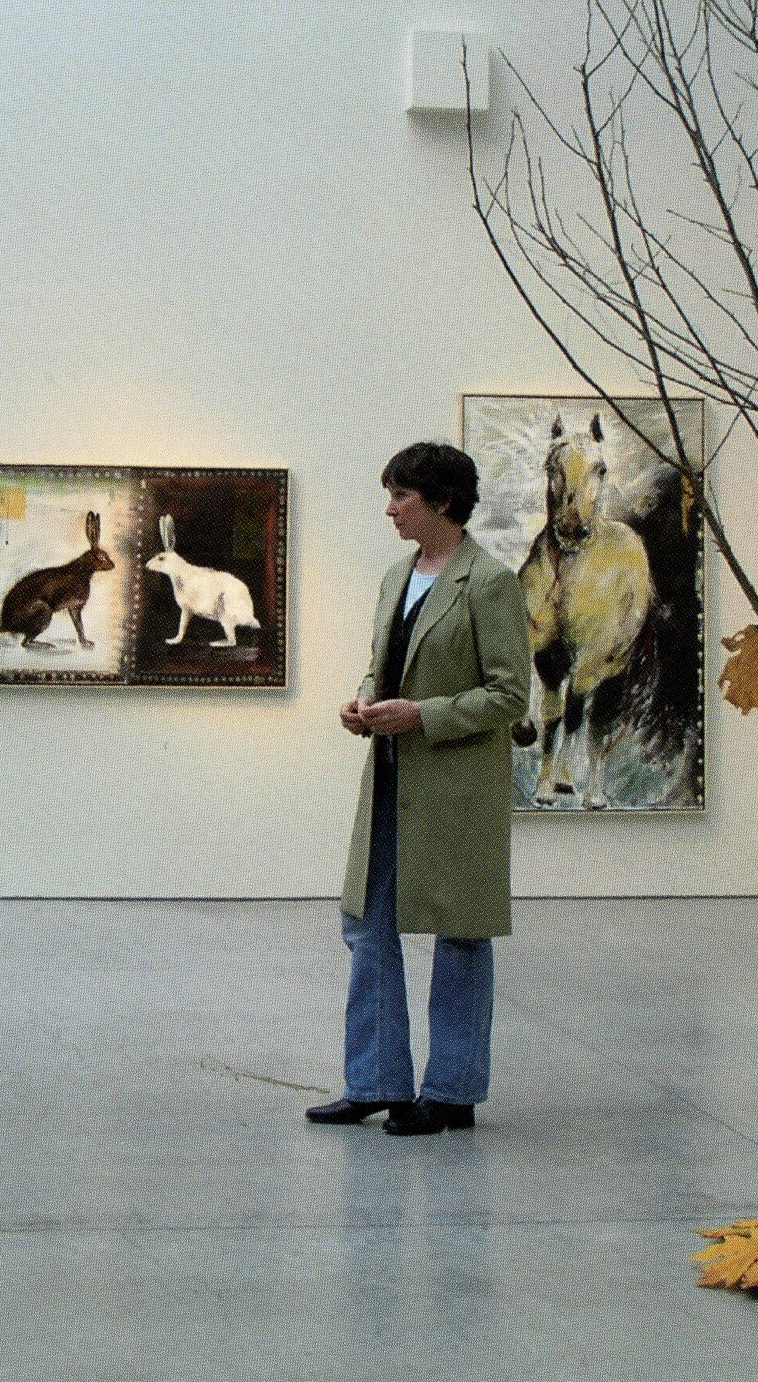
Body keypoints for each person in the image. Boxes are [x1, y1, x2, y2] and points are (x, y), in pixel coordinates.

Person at [310, 441, 527, 1136]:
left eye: (402, 496)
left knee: (460, 935)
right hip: (391, 779)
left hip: (456, 788)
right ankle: (375, 1081)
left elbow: (508, 695)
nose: (391, 508)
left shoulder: (489, 583)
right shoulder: (395, 576)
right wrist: (363, 703)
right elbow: (385, 667)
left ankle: (452, 1091)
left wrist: (422, 716)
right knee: (367, 925)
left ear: (441, 502)